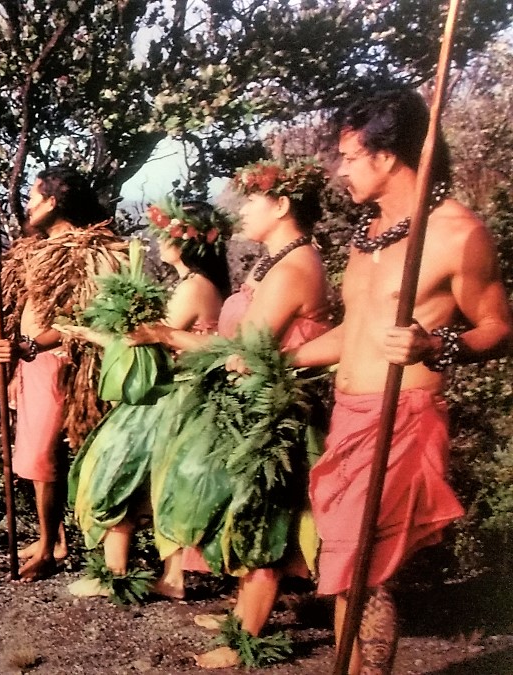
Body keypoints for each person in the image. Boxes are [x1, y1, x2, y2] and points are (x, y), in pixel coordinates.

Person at [290, 89, 512, 675]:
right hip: (349, 416)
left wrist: (437, 344)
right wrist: (272, 358)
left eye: (350, 156)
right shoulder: (370, 235)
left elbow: (498, 328)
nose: (340, 170)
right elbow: (353, 336)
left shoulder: (457, 233)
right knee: (343, 571)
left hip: (403, 417)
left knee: (365, 570)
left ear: (387, 156)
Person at [132, 159, 333, 669]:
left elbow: (243, 348)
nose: (242, 211)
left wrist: (168, 336)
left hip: (272, 417)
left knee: (261, 518)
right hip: (251, 405)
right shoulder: (275, 262)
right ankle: (242, 615)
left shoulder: (294, 267)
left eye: (251, 201)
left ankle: (248, 639)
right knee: (244, 511)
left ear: (282, 204)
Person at [62, 200, 231, 599]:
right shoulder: (202, 284)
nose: (158, 243)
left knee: (115, 468)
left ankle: (117, 574)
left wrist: (94, 336)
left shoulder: (192, 288)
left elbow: (152, 342)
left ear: (183, 242)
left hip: (174, 394)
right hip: (184, 391)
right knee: (151, 483)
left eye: (164, 235)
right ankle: (151, 575)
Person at [0, 166, 127, 580]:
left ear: (52, 203)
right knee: (34, 452)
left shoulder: (90, 252)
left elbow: (82, 317)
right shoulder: (37, 248)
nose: (27, 205)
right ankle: (54, 538)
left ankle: (48, 547)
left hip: (59, 362)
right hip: (28, 362)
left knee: (44, 454)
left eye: (33, 197)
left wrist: (28, 345)